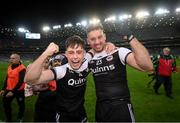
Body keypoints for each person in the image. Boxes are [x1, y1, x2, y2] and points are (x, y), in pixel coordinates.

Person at [86, 23, 153, 122]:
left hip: (122, 107)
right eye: (93, 39)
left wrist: (131, 38)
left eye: (100, 37)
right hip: (101, 108)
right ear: (88, 41)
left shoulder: (119, 52)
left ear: (105, 36)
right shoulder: (88, 59)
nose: (97, 42)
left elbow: (147, 66)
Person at [24, 36, 90, 122]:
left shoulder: (87, 64)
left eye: (79, 52)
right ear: (66, 54)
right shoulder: (61, 71)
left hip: (81, 114)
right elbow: (29, 79)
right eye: (71, 52)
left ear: (84, 53)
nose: (75, 56)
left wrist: (109, 44)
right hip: (64, 117)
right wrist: (46, 53)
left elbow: (96, 50)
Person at [0, 53, 26, 122]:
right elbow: (7, 78)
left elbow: (21, 81)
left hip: (19, 91)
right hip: (9, 89)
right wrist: (3, 89)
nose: (11, 60)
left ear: (18, 59)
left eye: (13, 58)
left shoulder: (22, 68)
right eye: (10, 58)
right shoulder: (9, 66)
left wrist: (12, 91)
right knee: (5, 104)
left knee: (21, 104)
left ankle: (20, 118)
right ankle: (8, 119)